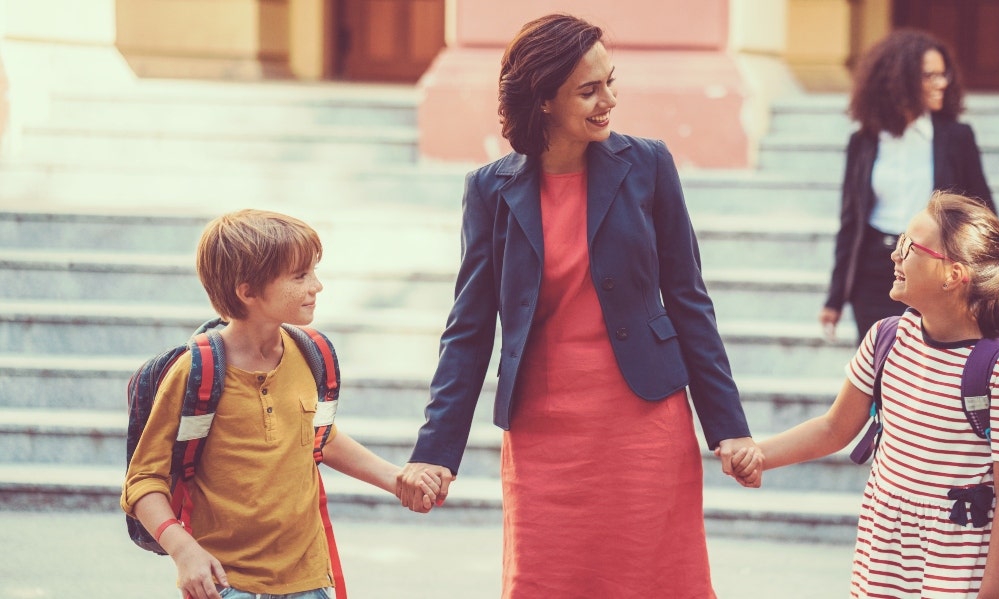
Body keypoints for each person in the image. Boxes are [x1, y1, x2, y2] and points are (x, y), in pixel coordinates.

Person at [394, 13, 760, 598]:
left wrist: (729, 429)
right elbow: (467, 330)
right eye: (589, 90)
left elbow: (690, 301)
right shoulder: (489, 189)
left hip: (644, 427)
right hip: (544, 433)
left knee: (652, 580)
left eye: (610, 82)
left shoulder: (648, 165)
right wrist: (435, 452)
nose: (608, 100)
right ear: (543, 99)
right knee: (545, 581)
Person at [122, 209, 436, 599]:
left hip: (310, 581)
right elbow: (142, 480)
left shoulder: (311, 355)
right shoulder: (194, 373)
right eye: (300, 276)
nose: (316, 286)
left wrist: (394, 479)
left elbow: (320, 438)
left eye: (314, 272)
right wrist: (184, 550)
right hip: (226, 583)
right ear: (248, 291)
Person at [743, 192, 999, 598]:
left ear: (952, 276)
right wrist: (761, 455)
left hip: (959, 562)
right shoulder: (886, 337)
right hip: (888, 553)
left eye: (908, 248)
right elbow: (834, 428)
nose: (895, 257)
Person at [821, 29, 996, 342]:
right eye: (930, 76)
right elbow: (850, 222)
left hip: (934, 268)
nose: (942, 83)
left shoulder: (957, 138)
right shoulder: (863, 142)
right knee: (879, 371)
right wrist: (835, 297)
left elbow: (983, 214)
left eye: (944, 75)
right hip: (874, 272)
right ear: (898, 80)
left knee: (927, 373)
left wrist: (990, 284)